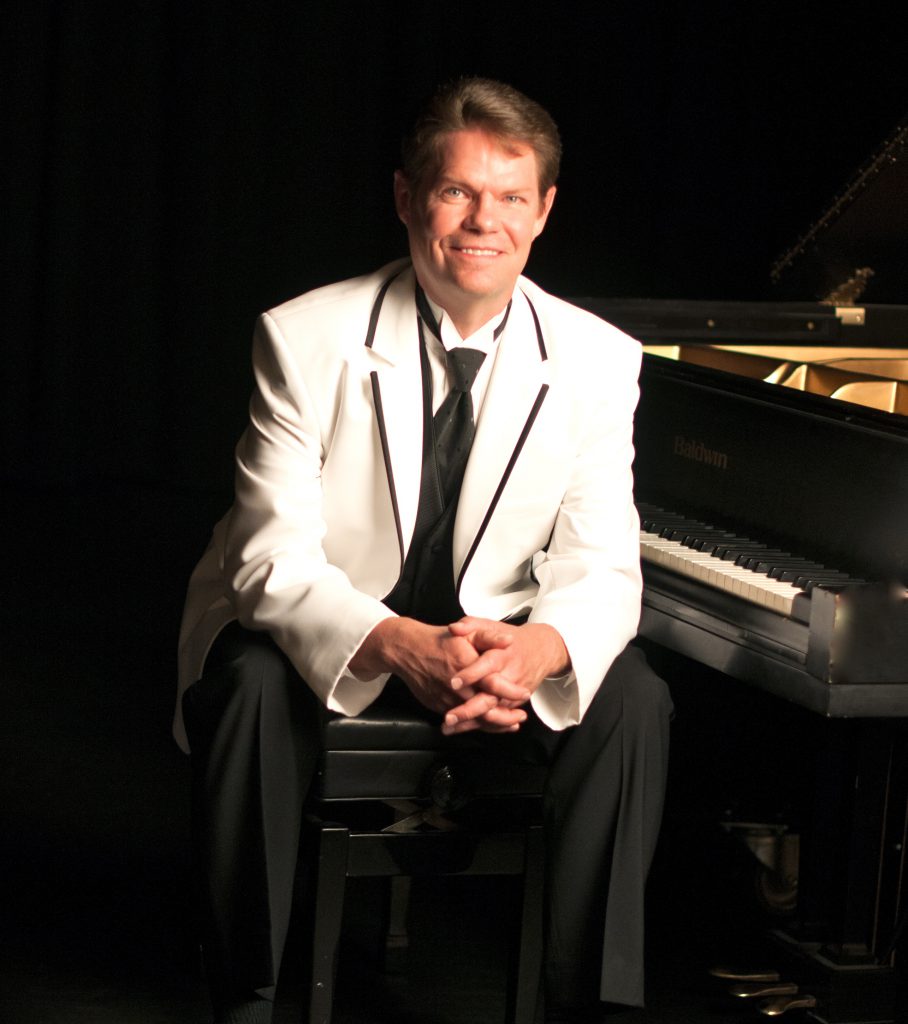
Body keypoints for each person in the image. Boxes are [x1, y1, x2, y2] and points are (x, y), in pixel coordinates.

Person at [175, 77, 672, 1024]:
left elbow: (603, 561)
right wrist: (399, 643)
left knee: (635, 699)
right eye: (457, 191)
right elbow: (269, 558)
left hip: (493, 645)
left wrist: (540, 651)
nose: (485, 221)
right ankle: (246, 995)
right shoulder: (305, 336)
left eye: (512, 197)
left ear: (544, 211)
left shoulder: (600, 359)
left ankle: (595, 1008)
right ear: (407, 197)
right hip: (340, 627)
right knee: (247, 682)